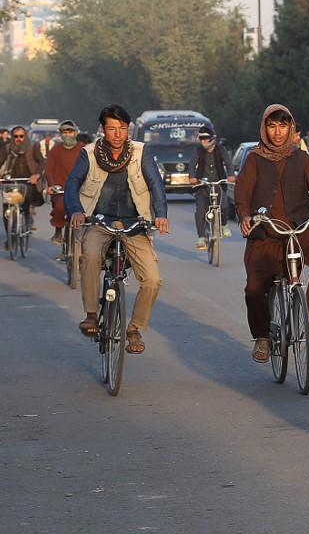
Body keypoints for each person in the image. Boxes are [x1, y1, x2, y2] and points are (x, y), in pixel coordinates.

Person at [235, 104, 309, 363]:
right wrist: (245, 215)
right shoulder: (255, 158)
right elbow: (243, 191)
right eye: (272, 125)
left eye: (282, 125)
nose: (277, 132)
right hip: (266, 231)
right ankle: (262, 337)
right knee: (254, 288)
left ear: (291, 128)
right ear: (265, 128)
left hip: (300, 227)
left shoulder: (301, 158)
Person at [64, 104, 169, 355]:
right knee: (89, 255)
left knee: (152, 280)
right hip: (99, 222)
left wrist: (161, 215)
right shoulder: (88, 153)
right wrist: (76, 209)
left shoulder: (141, 152)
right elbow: (72, 183)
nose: (118, 134)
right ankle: (91, 314)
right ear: (103, 130)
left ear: (128, 129)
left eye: (122, 128)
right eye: (112, 128)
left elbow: (156, 185)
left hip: (135, 223)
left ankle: (134, 328)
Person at [0, 125, 45, 241]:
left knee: (25, 201)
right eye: (16, 136)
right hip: (11, 182)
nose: (18, 139)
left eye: (21, 136)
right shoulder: (7, 149)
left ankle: (27, 217)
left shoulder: (32, 147)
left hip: (28, 182)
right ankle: (10, 238)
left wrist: (36, 175)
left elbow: (41, 161)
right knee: (6, 208)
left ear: (25, 136)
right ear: (12, 137)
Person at [188, 125, 235, 250]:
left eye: (206, 139)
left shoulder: (221, 150)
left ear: (212, 139)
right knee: (201, 211)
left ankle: (224, 225)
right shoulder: (198, 151)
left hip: (219, 184)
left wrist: (231, 175)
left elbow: (229, 164)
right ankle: (202, 238)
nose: (203, 142)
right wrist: (192, 177)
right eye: (201, 139)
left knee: (224, 205)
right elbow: (192, 164)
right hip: (203, 185)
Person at [44, 120, 83, 243]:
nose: (67, 135)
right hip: (61, 190)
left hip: (80, 189)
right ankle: (58, 231)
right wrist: (51, 185)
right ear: (61, 134)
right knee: (60, 207)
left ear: (75, 133)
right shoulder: (55, 150)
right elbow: (49, 170)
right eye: (64, 132)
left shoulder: (83, 149)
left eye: (70, 132)